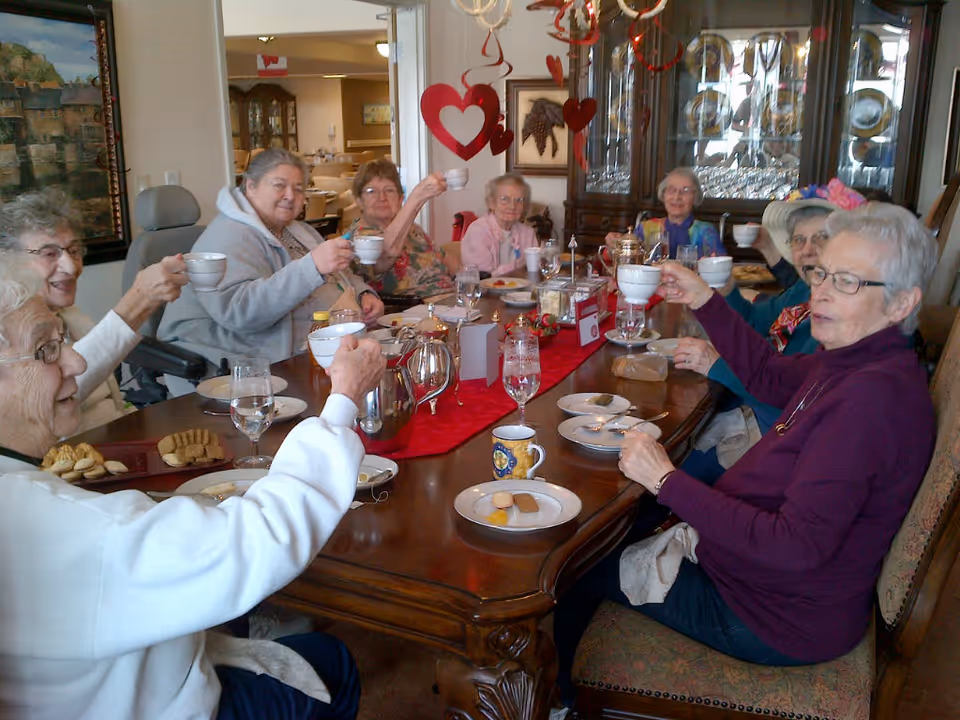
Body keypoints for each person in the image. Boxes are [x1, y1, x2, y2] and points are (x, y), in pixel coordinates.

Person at [554, 202, 938, 708]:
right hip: (765, 580)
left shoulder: (868, 404)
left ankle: (562, 703)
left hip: (769, 616)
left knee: (575, 569)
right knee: (626, 520)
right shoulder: (857, 360)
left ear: (900, 304)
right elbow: (769, 377)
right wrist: (704, 299)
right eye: (822, 273)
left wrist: (666, 480)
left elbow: (794, 546)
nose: (819, 291)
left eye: (847, 282)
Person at [0, 254, 386, 720]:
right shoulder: (55, 523)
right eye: (46, 350)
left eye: (63, 342)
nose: (77, 360)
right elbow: (257, 539)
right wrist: (342, 400)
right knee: (333, 661)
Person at [675, 182, 867, 478]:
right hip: (749, 407)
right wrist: (728, 292)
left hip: (773, 434)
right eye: (799, 240)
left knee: (672, 460)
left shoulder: (839, 322)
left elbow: (788, 394)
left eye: (821, 238)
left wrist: (716, 365)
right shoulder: (802, 290)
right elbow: (754, 322)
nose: (807, 250)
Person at [159, 148, 383, 374]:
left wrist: (362, 293)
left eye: (298, 189)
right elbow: (239, 312)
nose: (290, 196)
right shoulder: (229, 235)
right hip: (246, 366)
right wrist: (312, 266)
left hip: (320, 351)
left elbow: (338, 272)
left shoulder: (297, 230)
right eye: (279, 185)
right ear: (250, 186)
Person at [0, 188, 186, 433]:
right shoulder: (7, 334)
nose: (71, 266)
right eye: (49, 254)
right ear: (7, 260)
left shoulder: (70, 316)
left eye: (74, 250)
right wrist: (141, 299)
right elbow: (51, 395)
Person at [342, 159, 455, 298]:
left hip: (449, 302)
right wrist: (418, 197)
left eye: (389, 190)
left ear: (400, 198)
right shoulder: (358, 237)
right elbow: (386, 253)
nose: (382, 197)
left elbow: (448, 262)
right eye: (372, 191)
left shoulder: (413, 230)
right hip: (410, 312)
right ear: (359, 200)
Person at [605, 168, 723, 260]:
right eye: (671, 190)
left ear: (695, 197)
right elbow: (621, 257)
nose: (677, 197)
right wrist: (613, 245)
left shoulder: (706, 231)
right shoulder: (646, 228)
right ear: (663, 194)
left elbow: (720, 268)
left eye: (685, 191)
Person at [460, 173, 538, 276]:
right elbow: (483, 277)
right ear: (491, 202)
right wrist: (517, 268)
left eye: (519, 200)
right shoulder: (478, 231)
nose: (512, 206)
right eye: (504, 199)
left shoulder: (527, 233)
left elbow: (536, 268)